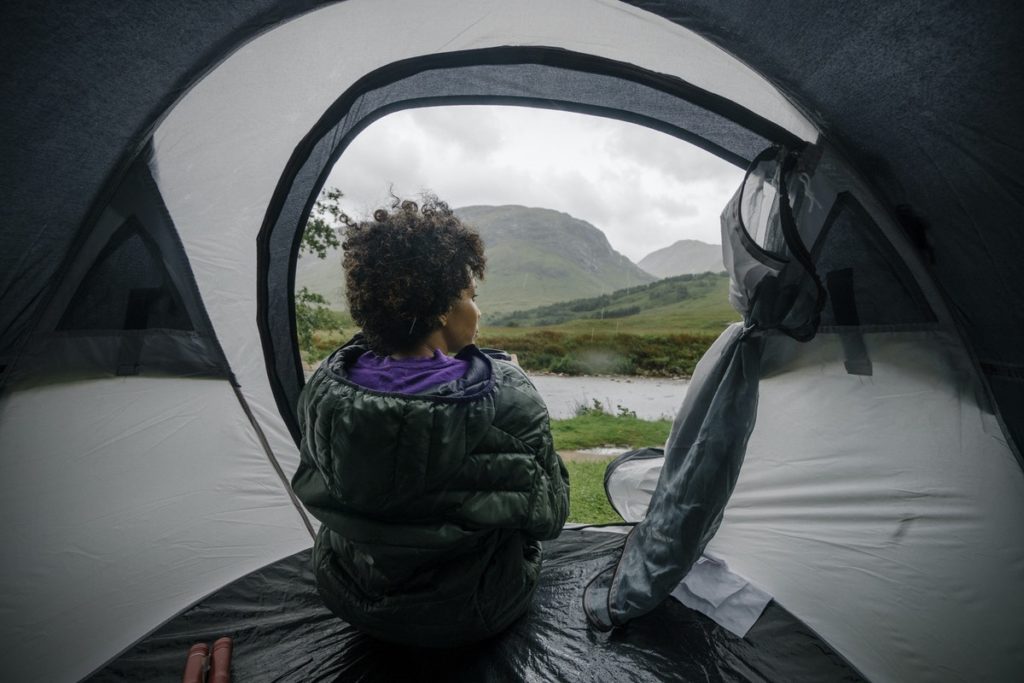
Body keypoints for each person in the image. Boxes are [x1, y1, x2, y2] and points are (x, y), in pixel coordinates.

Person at [291, 196, 570, 647]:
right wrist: (509, 380)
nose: (477, 311)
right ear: (442, 308)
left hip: (348, 594)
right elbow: (552, 514)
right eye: (470, 298)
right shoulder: (508, 397)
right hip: (471, 611)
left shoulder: (326, 387)